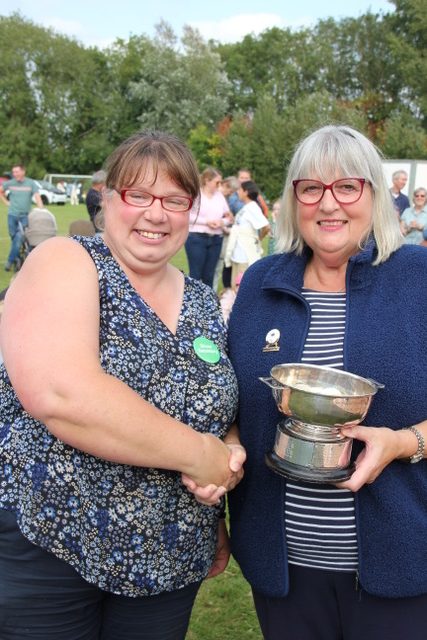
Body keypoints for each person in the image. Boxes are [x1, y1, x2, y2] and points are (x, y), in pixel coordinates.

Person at [0, 131, 245, 640]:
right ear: (107, 200)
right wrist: (200, 455)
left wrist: (228, 454)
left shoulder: (202, 301)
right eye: (139, 195)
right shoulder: (67, 262)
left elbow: (217, 405)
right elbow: (63, 395)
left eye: (175, 200)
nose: (156, 214)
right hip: (53, 542)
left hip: (170, 557)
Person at [225, 124, 427, 640]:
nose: (328, 204)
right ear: (293, 200)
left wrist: (405, 442)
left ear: (375, 195)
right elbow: (231, 407)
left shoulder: (417, 278)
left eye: (347, 187)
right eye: (310, 188)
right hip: (284, 572)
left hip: (403, 569)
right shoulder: (262, 286)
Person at [185, 167, 231, 289]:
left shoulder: (220, 196)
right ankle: (192, 303)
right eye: (217, 182)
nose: (219, 185)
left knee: (209, 275)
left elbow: (229, 217)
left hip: (216, 239)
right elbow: (187, 215)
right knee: (195, 274)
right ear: (207, 180)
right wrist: (207, 222)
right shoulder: (196, 195)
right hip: (197, 238)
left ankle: (208, 305)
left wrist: (221, 222)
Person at [225, 180, 270, 287]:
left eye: (240, 190)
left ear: (246, 192)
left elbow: (266, 226)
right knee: (235, 287)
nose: (238, 192)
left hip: (245, 257)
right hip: (237, 255)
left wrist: (258, 238)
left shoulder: (253, 207)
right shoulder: (246, 208)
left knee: (241, 288)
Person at [0, 164, 43, 271]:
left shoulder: (30, 183)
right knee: (14, 238)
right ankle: (18, 259)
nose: (15, 174)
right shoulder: (10, 183)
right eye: (13, 172)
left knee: (19, 238)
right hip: (12, 215)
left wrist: (41, 208)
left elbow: (37, 196)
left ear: (23, 171)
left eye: (17, 172)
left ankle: (10, 261)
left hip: (24, 216)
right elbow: (1, 191)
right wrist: (6, 202)